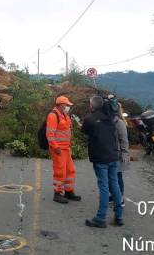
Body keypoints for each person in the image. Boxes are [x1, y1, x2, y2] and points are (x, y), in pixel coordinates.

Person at [82, 96, 123, 228]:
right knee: (114, 185)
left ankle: (100, 218)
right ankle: (119, 216)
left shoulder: (89, 118)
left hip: (100, 157)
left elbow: (84, 131)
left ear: (92, 105)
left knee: (104, 187)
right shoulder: (110, 118)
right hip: (113, 155)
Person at [46, 96, 81, 204]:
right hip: (58, 149)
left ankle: (68, 191)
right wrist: (55, 147)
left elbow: (67, 131)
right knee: (60, 171)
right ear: (61, 105)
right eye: (66, 105)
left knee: (70, 170)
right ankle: (57, 193)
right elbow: (50, 134)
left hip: (66, 148)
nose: (68, 107)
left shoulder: (64, 115)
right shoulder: (53, 115)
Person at [110, 102, 129, 207]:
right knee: (113, 176)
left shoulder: (119, 123)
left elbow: (124, 140)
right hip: (113, 153)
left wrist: (125, 154)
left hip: (118, 154)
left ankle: (120, 198)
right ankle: (114, 195)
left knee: (117, 176)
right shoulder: (113, 121)